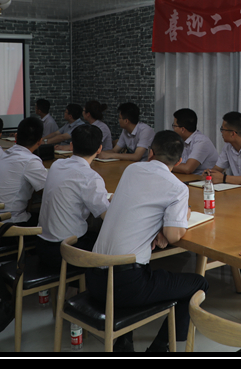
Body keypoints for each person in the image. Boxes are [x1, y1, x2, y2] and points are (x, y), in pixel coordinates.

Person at [87, 130, 209, 352]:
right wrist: (185, 214)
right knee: (198, 283)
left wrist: (156, 228)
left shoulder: (132, 170)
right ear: (179, 161)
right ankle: (160, 348)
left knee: (148, 269)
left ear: (151, 153)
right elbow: (173, 235)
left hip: (94, 279)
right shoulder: (177, 188)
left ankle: (124, 342)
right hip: (124, 287)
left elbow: (138, 207)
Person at [36, 124, 109, 269]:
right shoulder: (90, 177)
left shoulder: (57, 165)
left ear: (71, 146)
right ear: (99, 149)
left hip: (41, 244)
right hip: (65, 252)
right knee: (105, 243)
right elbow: (107, 217)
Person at [0, 116, 47, 225]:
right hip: (5, 222)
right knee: (47, 221)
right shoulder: (30, 161)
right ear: (39, 141)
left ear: (16, 136)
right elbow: (48, 190)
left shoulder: (6, 153)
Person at [171, 108, 218, 175]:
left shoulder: (201, 141)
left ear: (183, 129)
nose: (173, 129)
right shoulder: (182, 140)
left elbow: (187, 169)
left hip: (203, 179)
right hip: (189, 178)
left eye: (174, 126)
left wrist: (165, 165)